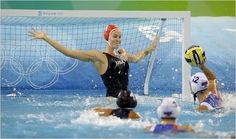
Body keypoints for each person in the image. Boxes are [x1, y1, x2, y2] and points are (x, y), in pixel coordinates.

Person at [29, 24, 159, 97]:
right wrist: (46, 38)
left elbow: (137, 57)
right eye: (115, 36)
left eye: (120, 37)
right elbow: (69, 53)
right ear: (107, 37)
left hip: (124, 100)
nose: (118, 39)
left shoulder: (122, 55)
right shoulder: (99, 56)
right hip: (112, 102)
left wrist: (151, 48)